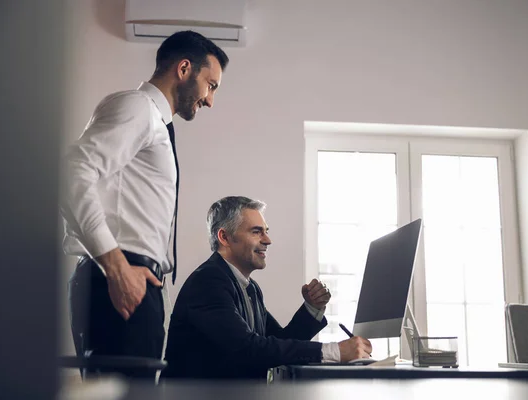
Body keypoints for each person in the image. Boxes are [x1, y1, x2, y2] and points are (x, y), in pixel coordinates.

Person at [59, 31, 229, 379]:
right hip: (119, 278)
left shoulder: (155, 121)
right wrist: (116, 267)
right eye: (210, 85)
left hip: (135, 279)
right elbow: (72, 174)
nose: (210, 100)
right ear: (184, 68)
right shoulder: (138, 107)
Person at [162, 196, 372, 380]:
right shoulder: (208, 281)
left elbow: (276, 344)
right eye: (256, 232)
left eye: (266, 232)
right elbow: (247, 348)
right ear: (224, 237)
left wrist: (312, 308)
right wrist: (334, 351)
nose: (268, 240)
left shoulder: (250, 287)